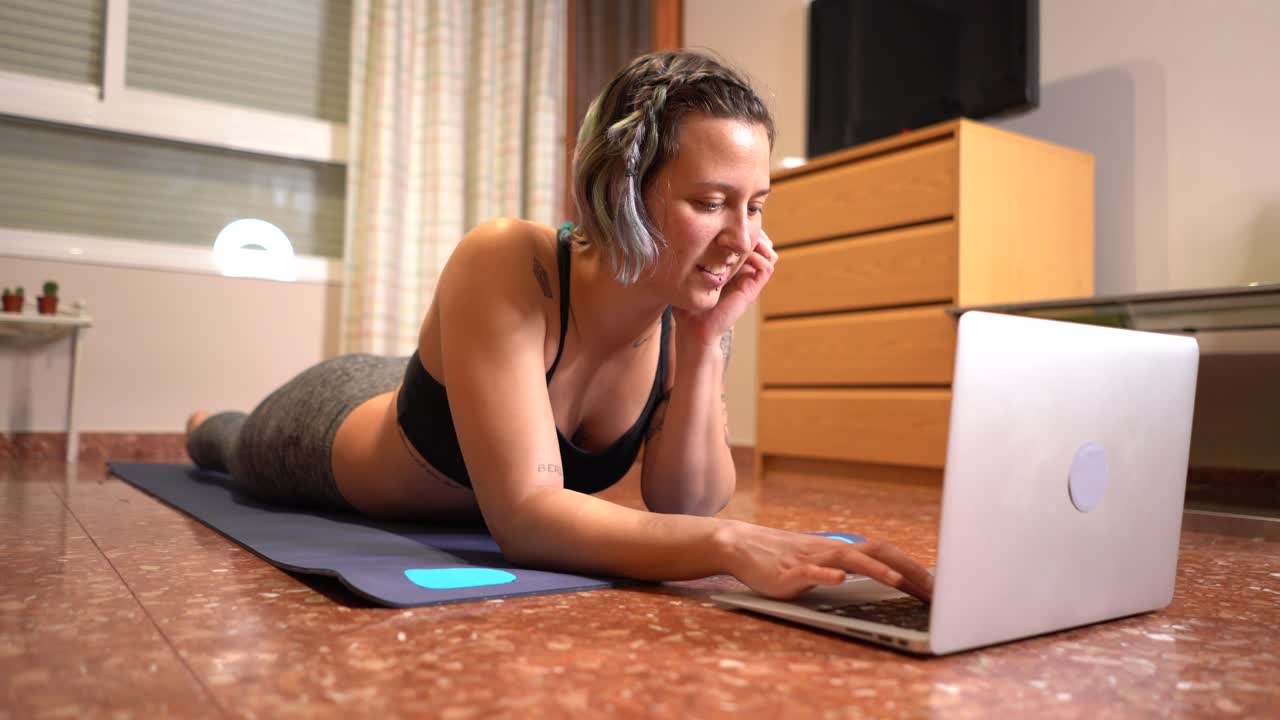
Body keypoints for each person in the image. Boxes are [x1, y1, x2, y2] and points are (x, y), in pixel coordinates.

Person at [186, 49, 934, 602]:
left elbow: (690, 502)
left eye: (756, 205)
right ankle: (205, 421)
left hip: (479, 382)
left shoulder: (685, 305)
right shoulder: (508, 258)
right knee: (225, 444)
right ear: (620, 190)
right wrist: (730, 545)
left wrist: (707, 342)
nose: (742, 240)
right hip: (331, 423)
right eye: (710, 203)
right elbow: (529, 519)